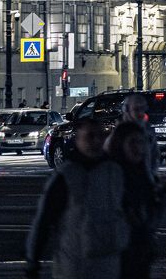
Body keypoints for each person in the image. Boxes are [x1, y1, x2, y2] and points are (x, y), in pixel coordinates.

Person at [25, 117, 128, 279]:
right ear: (78, 139)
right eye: (90, 136)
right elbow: (44, 221)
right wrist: (33, 261)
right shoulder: (66, 175)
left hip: (108, 264)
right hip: (75, 265)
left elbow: (126, 214)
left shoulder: (114, 171)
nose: (96, 141)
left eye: (100, 136)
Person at [106, 121, 161, 279]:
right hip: (116, 254)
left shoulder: (143, 174)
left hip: (140, 253)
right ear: (120, 143)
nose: (138, 147)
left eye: (141, 142)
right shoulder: (109, 174)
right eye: (132, 142)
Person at [111, 93, 160, 179]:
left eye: (143, 109)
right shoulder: (120, 132)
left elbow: (154, 155)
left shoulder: (148, 130)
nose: (140, 113)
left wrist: (152, 176)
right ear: (126, 110)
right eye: (136, 109)